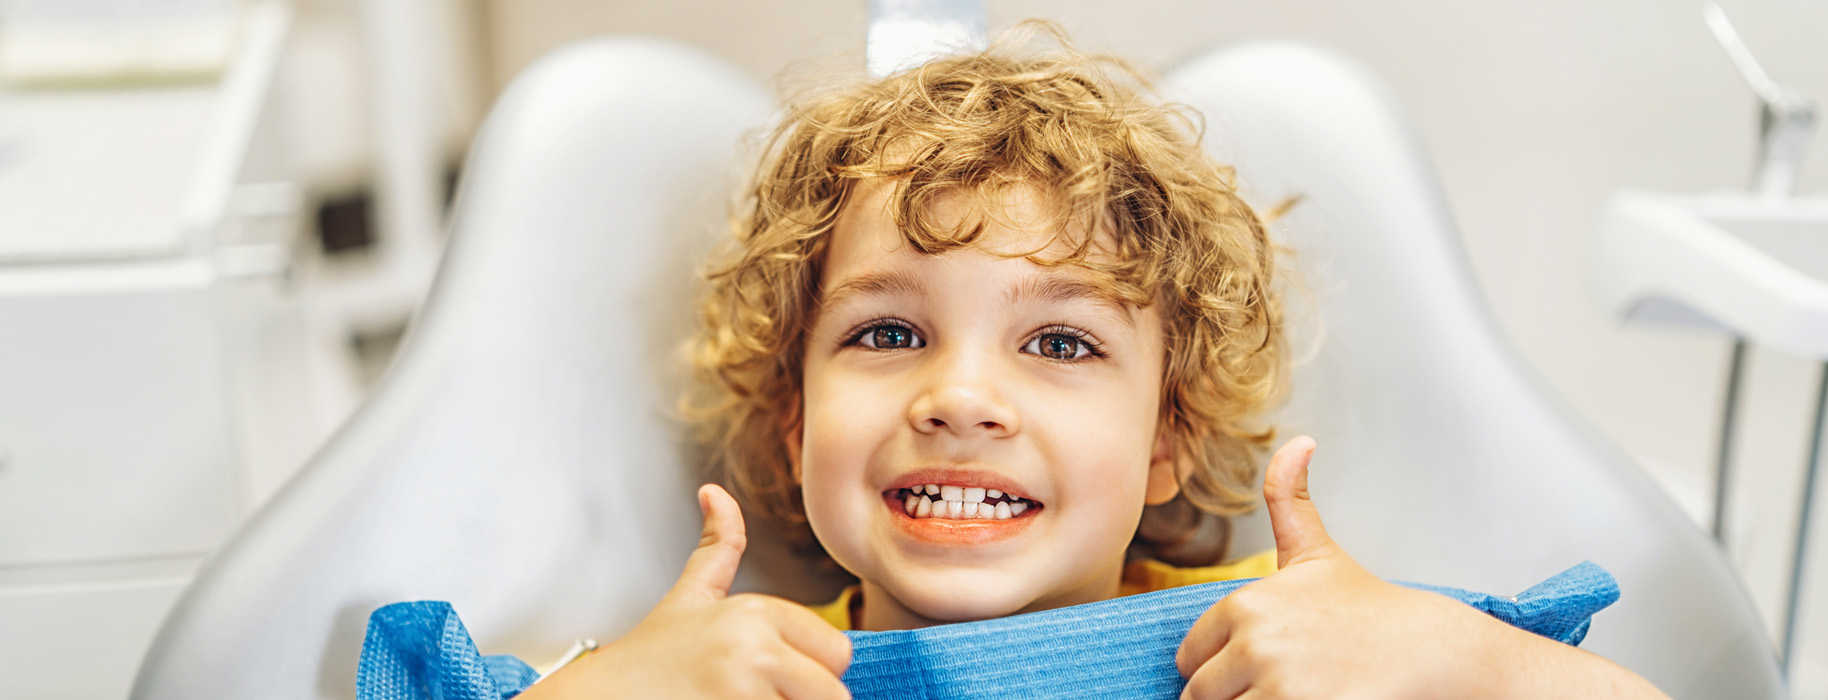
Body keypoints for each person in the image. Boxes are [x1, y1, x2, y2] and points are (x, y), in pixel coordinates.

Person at [519, 23, 1669, 700]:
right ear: (792, 425)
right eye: (887, 332)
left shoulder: (1271, 646)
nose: (961, 396)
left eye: (1059, 342)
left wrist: (1465, 664)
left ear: (1165, 441)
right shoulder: (740, 675)